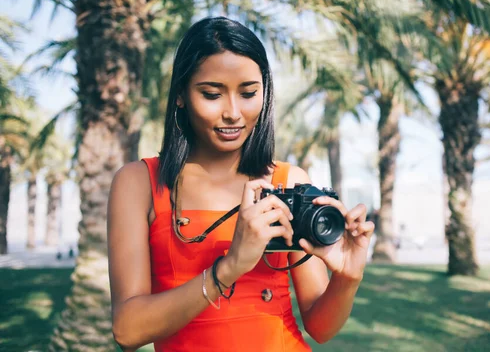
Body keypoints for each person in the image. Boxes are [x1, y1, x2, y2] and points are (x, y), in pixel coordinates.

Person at [107, 17, 374, 352]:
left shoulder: (288, 181)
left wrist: (348, 278)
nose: (233, 112)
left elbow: (319, 328)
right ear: (180, 96)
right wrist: (230, 267)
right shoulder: (139, 183)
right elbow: (127, 331)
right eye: (211, 94)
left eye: (248, 93)